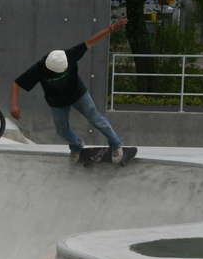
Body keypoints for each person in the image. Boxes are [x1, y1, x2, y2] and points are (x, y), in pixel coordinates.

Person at [11, 17, 128, 163]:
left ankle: (116, 144)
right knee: (61, 130)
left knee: (96, 119)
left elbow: (90, 42)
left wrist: (111, 28)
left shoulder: (69, 55)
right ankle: (76, 145)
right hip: (57, 102)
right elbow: (17, 83)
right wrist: (14, 105)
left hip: (78, 95)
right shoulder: (39, 69)